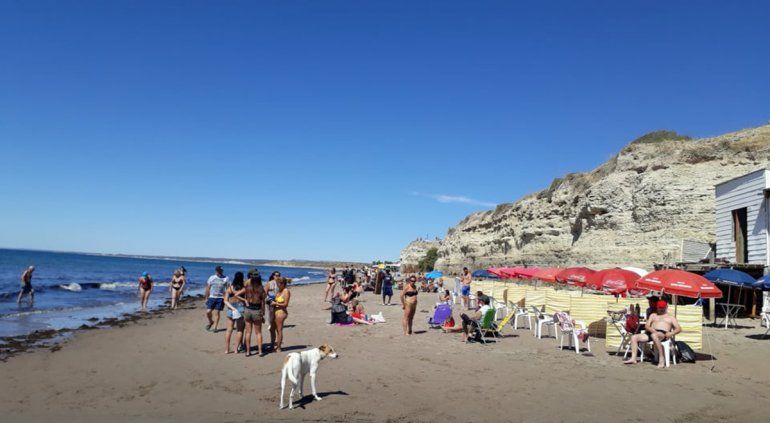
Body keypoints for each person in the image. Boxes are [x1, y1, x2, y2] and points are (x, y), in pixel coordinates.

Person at [624, 300, 682, 368]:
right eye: (659, 308)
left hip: (662, 333)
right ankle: (633, 358)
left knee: (654, 335)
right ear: (657, 307)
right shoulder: (653, 315)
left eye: (662, 308)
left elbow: (678, 329)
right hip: (651, 332)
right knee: (634, 337)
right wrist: (652, 330)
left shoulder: (671, 317)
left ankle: (661, 358)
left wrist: (671, 333)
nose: (661, 309)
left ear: (666, 307)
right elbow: (647, 325)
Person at [243, 269, 266, 357]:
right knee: (258, 333)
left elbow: (246, 284)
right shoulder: (261, 288)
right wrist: (263, 313)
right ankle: (260, 351)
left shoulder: (247, 286)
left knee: (248, 332)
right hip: (257, 310)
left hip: (248, 309)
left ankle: (248, 351)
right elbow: (263, 302)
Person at [224, 271, 246, 354]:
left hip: (231, 308)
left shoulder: (230, 288)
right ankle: (236, 349)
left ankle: (227, 349)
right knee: (239, 330)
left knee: (229, 330)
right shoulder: (244, 288)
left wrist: (232, 308)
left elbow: (225, 301)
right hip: (241, 308)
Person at [204, 266, 229, 332]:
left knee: (217, 313)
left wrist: (226, 298)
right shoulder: (211, 278)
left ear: (222, 271)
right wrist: (206, 298)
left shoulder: (226, 278)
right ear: (216, 271)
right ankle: (211, 322)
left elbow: (227, 289)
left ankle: (215, 327)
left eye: (220, 271)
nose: (219, 272)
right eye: (218, 271)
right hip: (212, 297)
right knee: (208, 312)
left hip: (220, 298)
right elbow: (208, 288)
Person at [272, 277, 291, 352]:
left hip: (281, 312)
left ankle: (279, 347)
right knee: (274, 329)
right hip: (276, 312)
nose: (277, 285)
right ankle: (275, 345)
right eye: (277, 283)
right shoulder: (280, 290)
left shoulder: (286, 291)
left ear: (283, 284)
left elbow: (286, 304)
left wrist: (275, 303)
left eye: (279, 283)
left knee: (279, 330)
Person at [266, 271, 280, 346]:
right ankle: (270, 325)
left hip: (278, 302)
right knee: (271, 316)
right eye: (276, 275)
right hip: (270, 302)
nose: (277, 276)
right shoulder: (269, 283)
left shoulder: (280, 283)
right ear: (273, 275)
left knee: (277, 317)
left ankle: (276, 341)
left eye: (278, 275)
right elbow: (265, 292)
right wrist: (269, 299)